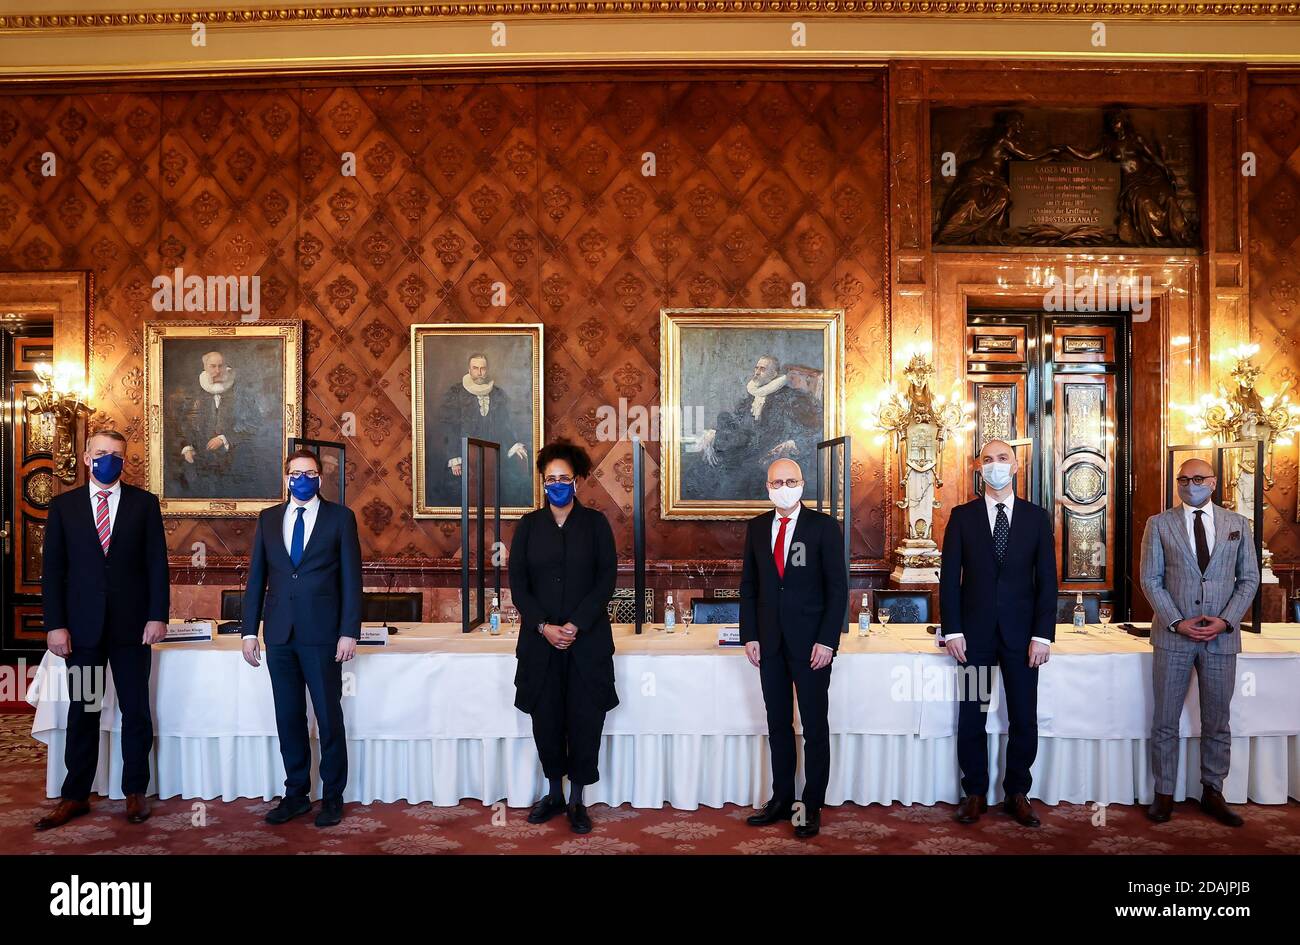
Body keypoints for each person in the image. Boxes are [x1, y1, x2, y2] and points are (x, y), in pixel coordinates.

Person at [36, 430, 169, 830]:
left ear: (125, 461)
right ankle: (75, 795)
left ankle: (134, 792)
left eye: (116, 455)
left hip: (132, 630)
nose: (108, 459)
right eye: (101, 453)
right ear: (85, 457)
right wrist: (55, 625)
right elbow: (53, 572)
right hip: (84, 632)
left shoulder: (144, 504)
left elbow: (156, 566)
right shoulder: (65, 506)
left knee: (136, 712)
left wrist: (157, 615)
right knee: (85, 711)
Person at [241, 448, 362, 828]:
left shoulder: (340, 519)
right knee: (288, 717)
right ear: (287, 478)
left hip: (323, 635)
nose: (303, 479)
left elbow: (351, 581)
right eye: (296, 473)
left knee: (328, 717)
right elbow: (256, 578)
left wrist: (348, 632)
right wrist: (248, 631)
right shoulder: (268, 518)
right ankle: (295, 794)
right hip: (279, 634)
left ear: (320, 478)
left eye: (310, 473)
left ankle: (332, 797)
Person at [939, 438, 1057, 827]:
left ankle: (1017, 793)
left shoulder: (1037, 518)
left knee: (1024, 717)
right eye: (988, 460)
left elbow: (1048, 583)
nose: (995, 465)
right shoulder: (961, 516)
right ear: (978, 468)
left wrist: (1043, 636)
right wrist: (952, 630)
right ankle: (974, 792)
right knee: (973, 715)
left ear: (1016, 465)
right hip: (973, 640)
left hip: (1024, 641)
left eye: (1002, 458)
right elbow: (949, 582)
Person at [1139, 457, 1259, 826]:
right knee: (1165, 719)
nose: (1190, 484)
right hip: (1174, 636)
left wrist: (1225, 621)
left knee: (1217, 719)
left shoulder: (1238, 525)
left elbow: (1248, 579)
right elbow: (1150, 579)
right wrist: (1177, 621)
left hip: (1221, 638)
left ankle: (1213, 791)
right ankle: (1163, 793)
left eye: (1198, 478)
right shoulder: (1158, 524)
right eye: (1183, 479)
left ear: (1213, 481)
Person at [508, 439, 618, 834]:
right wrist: (543, 625)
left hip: (587, 643)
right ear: (542, 482)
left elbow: (607, 578)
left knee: (585, 718)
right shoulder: (528, 526)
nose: (557, 484)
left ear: (576, 482)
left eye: (564, 478)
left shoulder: (596, 524)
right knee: (548, 719)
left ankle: (577, 800)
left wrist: (577, 624)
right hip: (540, 644)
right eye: (550, 478)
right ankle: (553, 791)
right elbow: (518, 584)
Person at [739, 457, 848, 839]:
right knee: (778, 724)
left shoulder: (823, 528)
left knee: (815, 727)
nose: (783, 487)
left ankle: (809, 805)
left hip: (812, 646)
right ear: (767, 487)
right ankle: (782, 798)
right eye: (776, 482)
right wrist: (749, 635)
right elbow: (749, 587)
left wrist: (827, 641)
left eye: (790, 481)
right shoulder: (755, 529)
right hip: (769, 644)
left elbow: (838, 590)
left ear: (803, 483)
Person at [435, 351, 531, 507]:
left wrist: (514, 444)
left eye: (483, 368)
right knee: (460, 494)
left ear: (487, 370)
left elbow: (504, 425)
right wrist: (454, 459)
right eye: (475, 368)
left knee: (509, 488)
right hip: (464, 456)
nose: (479, 372)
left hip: (492, 455)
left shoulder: (497, 393)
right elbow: (449, 428)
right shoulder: (456, 392)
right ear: (469, 369)